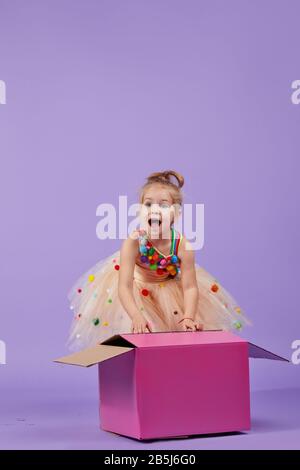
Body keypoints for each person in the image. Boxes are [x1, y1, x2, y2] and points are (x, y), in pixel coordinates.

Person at [67, 170, 250, 349]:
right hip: (138, 293)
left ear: (175, 214)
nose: (154, 210)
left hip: (171, 291)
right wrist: (135, 315)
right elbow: (124, 286)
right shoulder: (133, 242)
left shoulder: (182, 245)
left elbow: (190, 287)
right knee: (145, 336)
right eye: (148, 204)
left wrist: (189, 316)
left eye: (163, 205)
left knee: (176, 338)